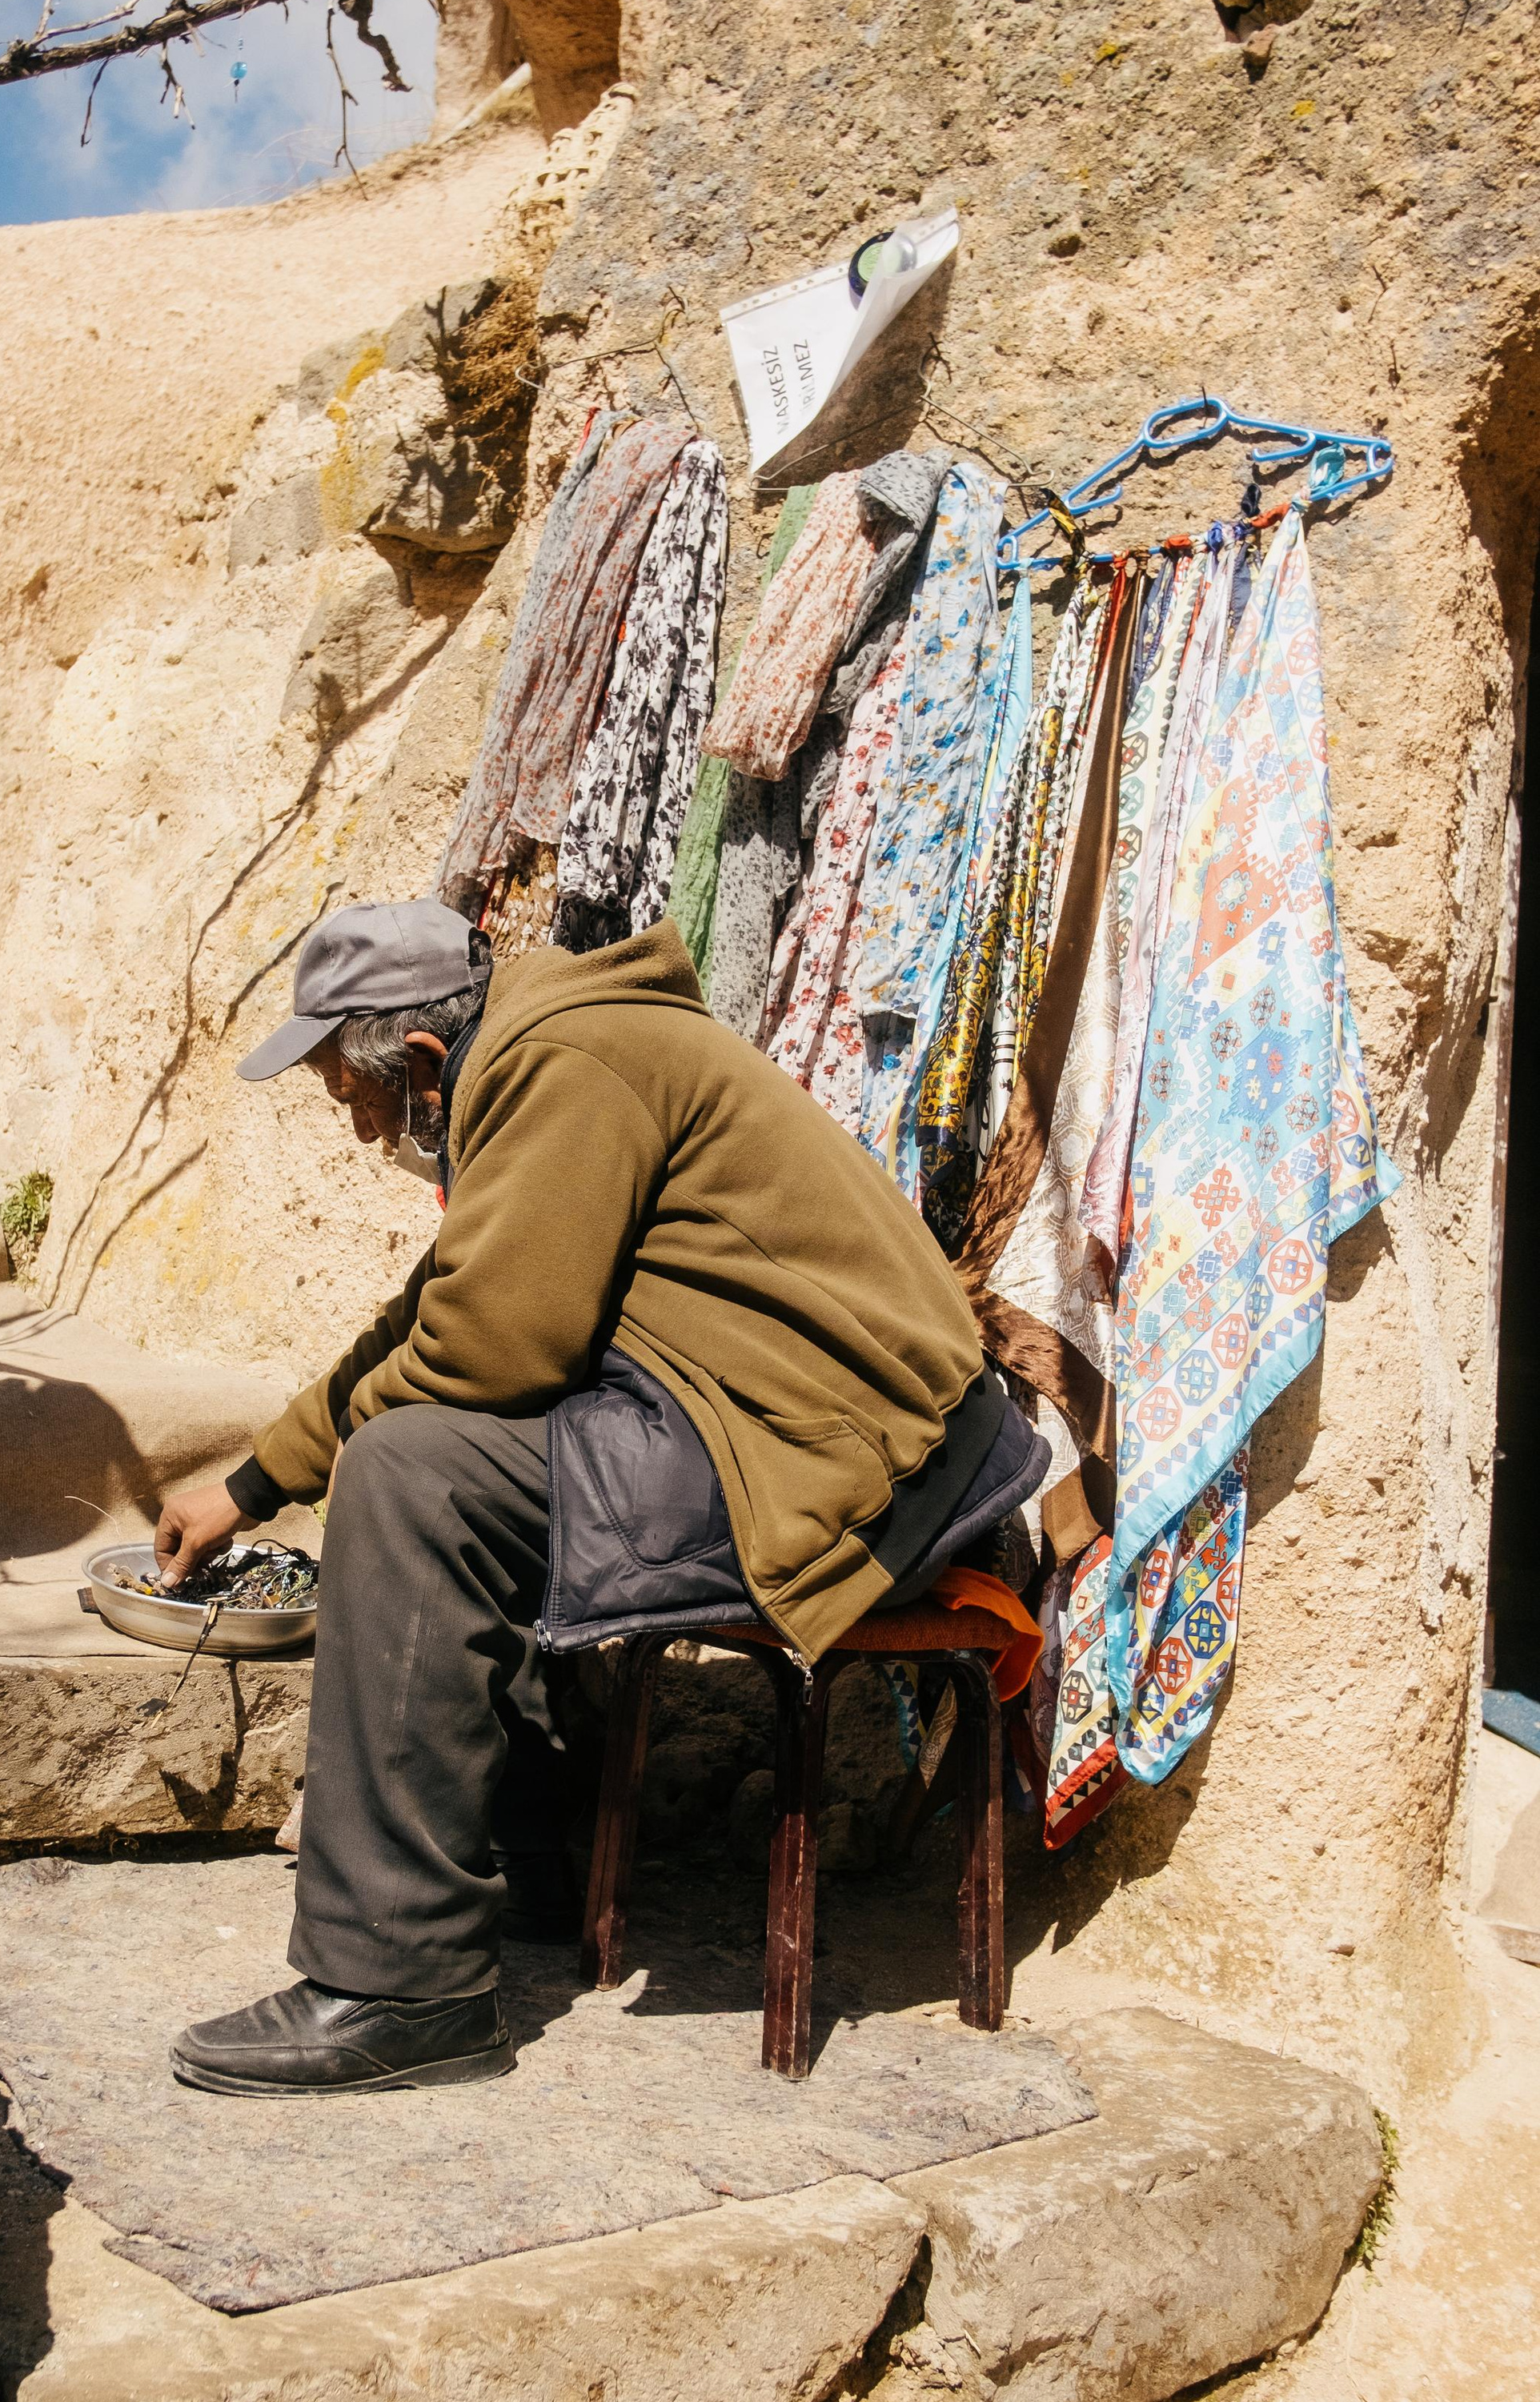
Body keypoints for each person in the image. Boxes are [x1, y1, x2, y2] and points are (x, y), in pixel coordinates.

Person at [156, 896, 1022, 2098]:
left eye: (349, 1100)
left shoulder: (559, 1061)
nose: (358, 1134)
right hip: (794, 1424)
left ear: (415, 1059)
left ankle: (400, 1986)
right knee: (457, 1444)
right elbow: (438, 1311)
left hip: (855, 1459)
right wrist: (252, 1485)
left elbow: (493, 1349)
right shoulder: (542, 1053)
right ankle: (524, 1855)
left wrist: (340, 1454)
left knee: (418, 1473)